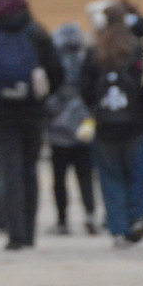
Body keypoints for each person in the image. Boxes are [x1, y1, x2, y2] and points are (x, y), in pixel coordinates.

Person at [0, 0, 63, 250]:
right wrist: (42, 95)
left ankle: (15, 233)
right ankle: (30, 232)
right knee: (30, 171)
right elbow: (57, 71)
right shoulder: (36, 32)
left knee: (9, 171)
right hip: (33, 112)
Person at [81, 3, 143, 248]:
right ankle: (137, 218)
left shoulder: (95, 51)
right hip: (135, 123)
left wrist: (95, 110)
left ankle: (118, 227)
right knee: (137, 173)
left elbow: (85, 88)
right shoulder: (136, 49)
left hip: (105, 125)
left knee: (110, 176)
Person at [44, 21, 97, 236]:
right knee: (85, 174)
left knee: (59, 178)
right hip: (83, 126)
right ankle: (90, 215)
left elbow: (49, 93)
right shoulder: (86, 59)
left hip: (58, 129)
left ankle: (63, 220)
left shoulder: (53, 61)